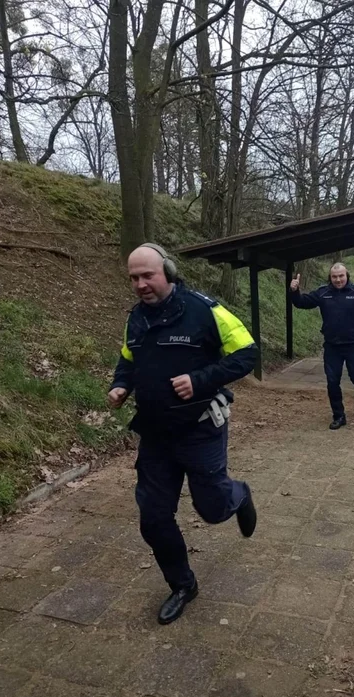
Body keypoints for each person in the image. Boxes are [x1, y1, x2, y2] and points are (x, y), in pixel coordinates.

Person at [108, 243, 258, 625]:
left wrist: (200, 379)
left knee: (211, 510)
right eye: (134, 278)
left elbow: (247, 353)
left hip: (201, 429)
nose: (141, 284)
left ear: (168, 272)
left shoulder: (204, 310)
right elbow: (128, 359)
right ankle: (182, 584)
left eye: (148, 275)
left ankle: (238, 496)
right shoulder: (136, 319)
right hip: (156, 434)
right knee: (154, 518)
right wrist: (121, 385)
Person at [290, 262, 354, 430]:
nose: (338, 280)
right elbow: (302, 302)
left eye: (341, 276)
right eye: (334, 277)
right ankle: (339, 416)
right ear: (330, 278)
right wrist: (294, 291)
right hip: (332, 346)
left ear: (347, 276)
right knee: (332, 382)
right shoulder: (323, 293)